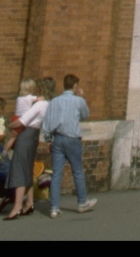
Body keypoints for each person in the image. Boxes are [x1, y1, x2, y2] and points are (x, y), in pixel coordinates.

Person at [41, 72, 97, 218]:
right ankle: (82, 202)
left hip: (57, 138)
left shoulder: (54, 101)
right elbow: (85, 115)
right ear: (75, 86)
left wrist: (48, 140)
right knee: (77, 171)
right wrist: (81, 96)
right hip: (72, 138)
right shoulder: (78, 101)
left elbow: (46, 123)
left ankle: (54, 208)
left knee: (56, 174)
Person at [3, 79, 46, 219]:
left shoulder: (27, 100)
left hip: (26, 132)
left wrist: (10, 127)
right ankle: (29, 203)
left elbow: (21, 121)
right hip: (33, 134)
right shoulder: (38, 102)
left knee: (20, 167)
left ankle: (17, 207)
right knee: (27, 168)